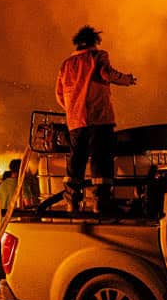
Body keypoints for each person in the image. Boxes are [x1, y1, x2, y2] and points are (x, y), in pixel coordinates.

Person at [54, 25, 137, 213]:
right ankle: (100, 203)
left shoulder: (66, 64)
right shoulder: (97, 56)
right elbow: (107, 73)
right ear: (94, 42)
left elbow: (59, 94)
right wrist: (127, 79)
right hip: (99, 119)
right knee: (100, 161)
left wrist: (73, 110)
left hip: (76, 122)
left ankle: (72, 203)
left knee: (76, 162)